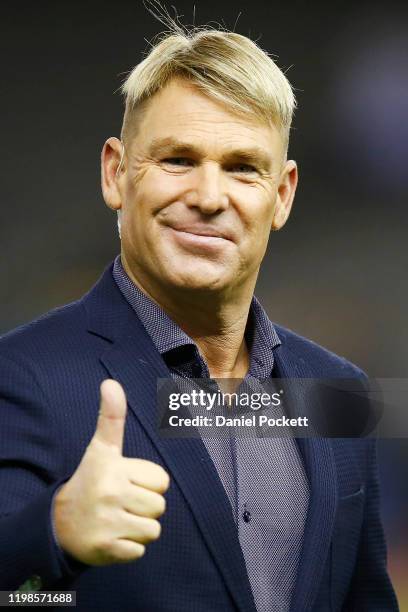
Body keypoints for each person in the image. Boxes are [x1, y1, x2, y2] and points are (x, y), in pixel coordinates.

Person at [0, 23, 398, 612]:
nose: (210, 196)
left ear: (282, 195)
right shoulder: (20, 376)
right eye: (179, 159)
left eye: (242, 167)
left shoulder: (338, 390)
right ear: (116, 173)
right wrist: (53, 541)